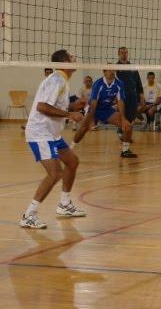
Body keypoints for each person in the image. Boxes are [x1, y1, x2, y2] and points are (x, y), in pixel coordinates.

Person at [21, 50, 87, 229]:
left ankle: (64, 205)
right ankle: (29, 214)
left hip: (52, 134)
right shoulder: (56, 80)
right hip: (40, 133)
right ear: (64, 62)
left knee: (72, 162)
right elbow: (42, 107)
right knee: (55, 173)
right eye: (72, 57)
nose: (75, 59)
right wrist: (70, 114)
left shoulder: (62, 80)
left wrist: (74, 105)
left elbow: (54, 105)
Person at [73, 67, 138, 158]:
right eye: (109, 70)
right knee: (83, 129)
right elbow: (94, 103)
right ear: (104, 72)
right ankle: (70, 148)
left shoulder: (119, 84)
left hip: (107, 110)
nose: (112, 72)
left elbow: (120, 101)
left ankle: (125, 150)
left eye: (113, 70)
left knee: (128, 126)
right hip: (94, 109)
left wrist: (123, 118)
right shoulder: (98, 84)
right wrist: (91, 118)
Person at [116, 47, 144, 131]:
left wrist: (141, 95)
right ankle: (121, 131)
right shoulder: (115, 67)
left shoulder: (132, 67)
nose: (124, 54)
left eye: (125, 52)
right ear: (118, 54)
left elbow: (138, 82)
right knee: (123, 115)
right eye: (122, 52)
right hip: (121, 95)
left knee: (131, 116)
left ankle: (127, 133)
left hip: (133, 95)